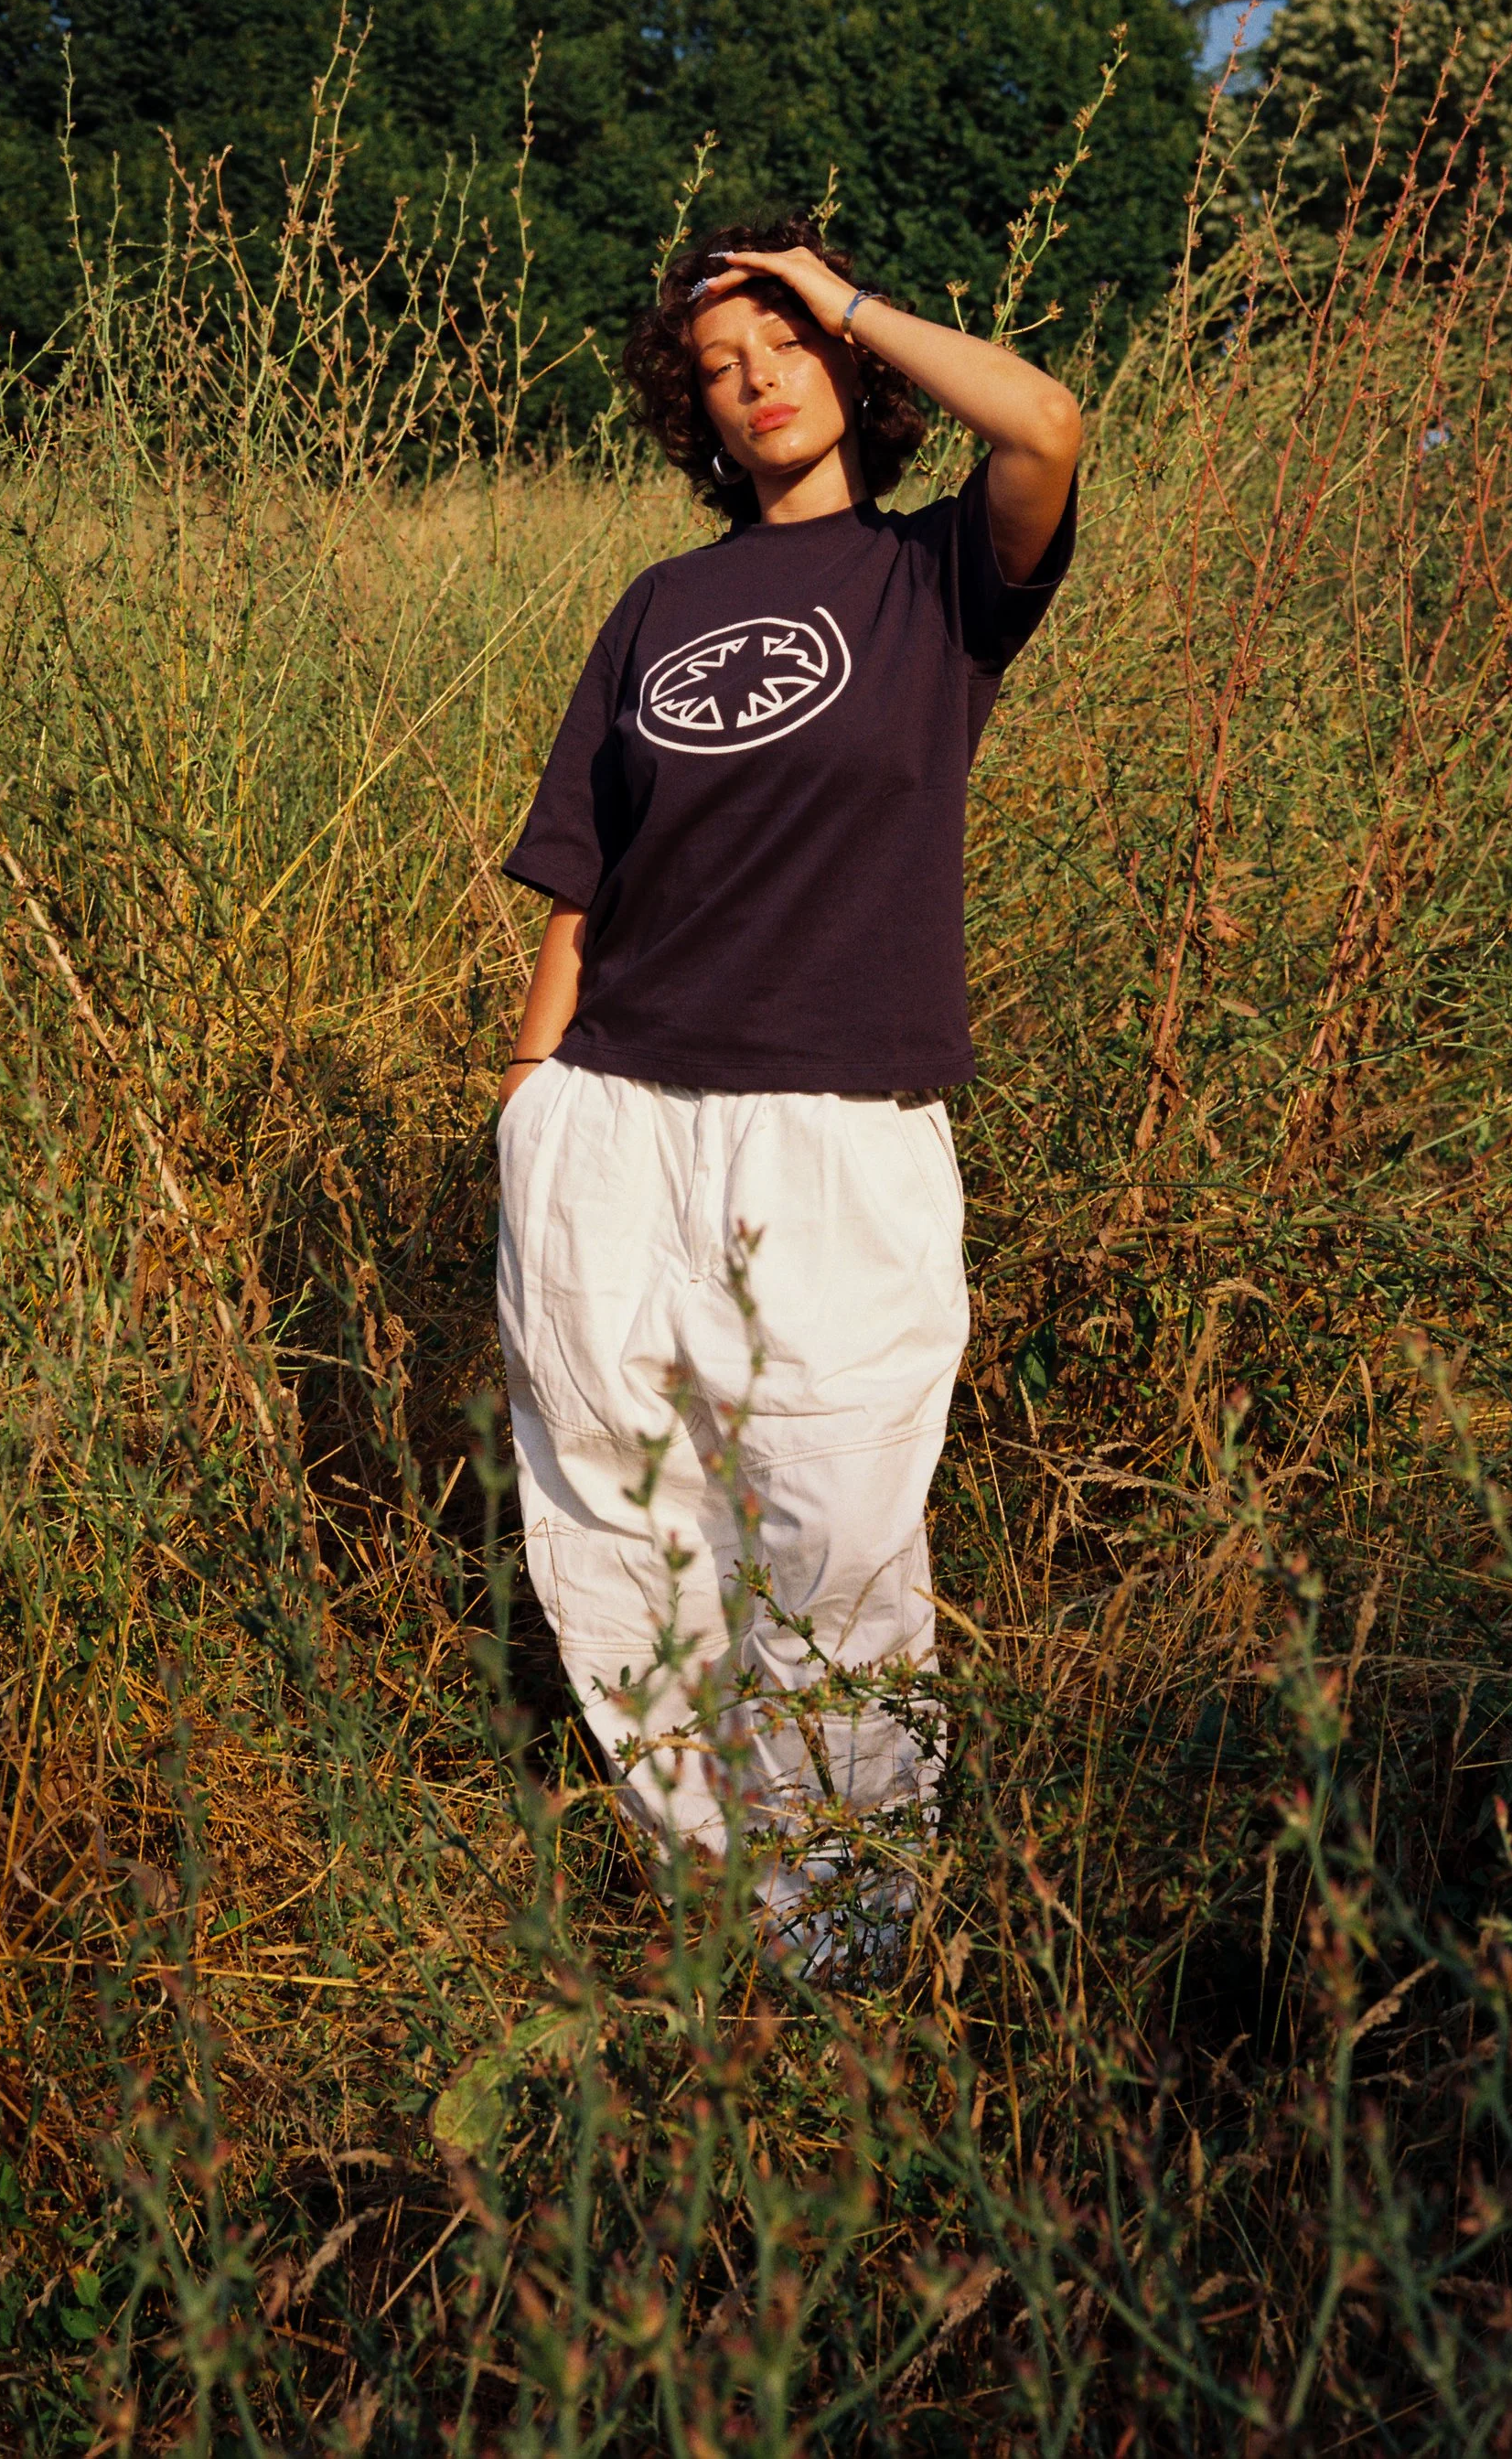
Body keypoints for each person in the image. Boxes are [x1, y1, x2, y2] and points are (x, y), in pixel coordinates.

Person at [494, 217, 1079, 1958]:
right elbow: (584, 882)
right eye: (722, 367)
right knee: (618, 1509)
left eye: (789, 347)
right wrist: (528, 1100)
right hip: (610, 1114)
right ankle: (709, 1893)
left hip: (834, 1126)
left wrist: (838, 289)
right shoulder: (659, 605)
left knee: (832, 1526)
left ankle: (844, 1934)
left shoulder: (937, 581)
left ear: (851, 368)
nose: (757, 382)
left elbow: (1046, 423)